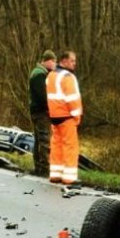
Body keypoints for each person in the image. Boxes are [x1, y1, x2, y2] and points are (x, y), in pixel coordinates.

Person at [46, 50, 83, 185]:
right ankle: (69, 177)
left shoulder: (51, 75)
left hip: (54, 115)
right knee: (70, 146)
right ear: (64, 61)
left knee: (56, 145)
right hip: (67, 116)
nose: (74, 64)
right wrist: (77, 116)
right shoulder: (67, 77)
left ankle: (55, 174)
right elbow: (72, 99)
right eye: (72, 61)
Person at [28, 50, 56, 176]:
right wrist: (50, 108)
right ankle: (44, 167)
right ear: (47, 61)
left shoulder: (39, 73)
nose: (54, 64)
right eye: (53, 61)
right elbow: (42, 96)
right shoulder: (39, 74)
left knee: (38, 140)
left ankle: (38, 166)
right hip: (41, 112)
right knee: (44, 139)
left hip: (36, 111)